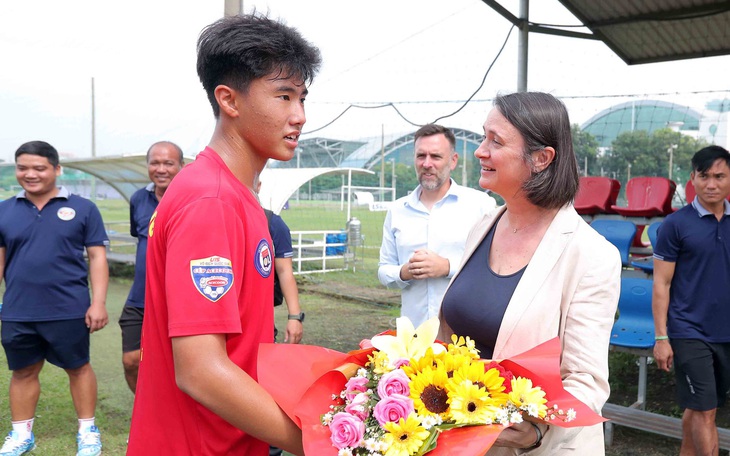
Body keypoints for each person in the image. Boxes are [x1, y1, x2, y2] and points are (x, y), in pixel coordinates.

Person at [126, 13, 321, 456]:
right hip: (196, 444)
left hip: (233, 439)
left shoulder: (236, 195)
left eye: (303, 98)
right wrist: (318, 442)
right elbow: (201, 371)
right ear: (229, 100)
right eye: (284, 96)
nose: (300, 116)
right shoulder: (209, 200)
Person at [438, 92, 621, 454]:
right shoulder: (484, 227)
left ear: (541, 158)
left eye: (496, 141)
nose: (480, 151)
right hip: (463, 440)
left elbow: (586, 380)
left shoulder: (592, 255)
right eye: (483, 136)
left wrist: (538, 431)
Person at [0, 141, 109, 456]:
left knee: (78, 367)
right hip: (19, 310)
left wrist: (98, 302)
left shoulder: (84, 208)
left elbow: (97, 258)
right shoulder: (5, 210)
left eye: (39, 168)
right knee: (22, 371)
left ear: (56, 169)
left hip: (68, 307)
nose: (30, 174)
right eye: (23, 168)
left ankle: (87, 431)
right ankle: (21, 434)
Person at [378, 124, 497, 328]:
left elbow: (495, 266)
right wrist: (405, 272)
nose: (427, 164)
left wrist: (447, 267)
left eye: (435, 156)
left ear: (453, 161)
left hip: (464, 332)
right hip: (414, 333)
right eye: (420, 156)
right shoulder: (397, 210)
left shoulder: (481, 206)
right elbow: (384, 270)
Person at [652, 145, 730, 456]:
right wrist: (661, 338)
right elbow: (661, 283)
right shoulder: (675, 225)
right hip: (689, 332)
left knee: (699, 408)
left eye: (720, 176)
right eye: (704, 176)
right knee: (707, 411)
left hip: (726, 331)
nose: (712, 184)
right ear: (692, 178)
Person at [119, 141, 184, 393]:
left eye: (168, 163)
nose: (161, 169)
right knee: (131, 360)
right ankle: (143, 413)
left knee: (179, 364)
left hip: (178, 300)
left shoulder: (191, 198)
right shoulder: (138, 199)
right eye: (155, 163)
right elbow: (141, 237)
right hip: (140, 297)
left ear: (181, 166)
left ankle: (173, 417)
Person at [254, 177, 304, 345]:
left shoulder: (273, 223)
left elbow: (285, 271)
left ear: (258, 185)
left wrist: (295, 317)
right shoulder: (219, 219)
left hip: (261, 322)